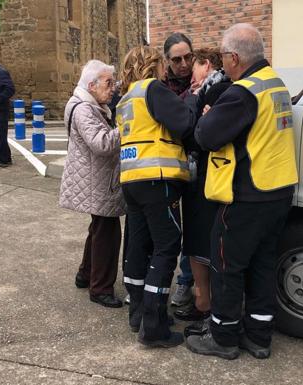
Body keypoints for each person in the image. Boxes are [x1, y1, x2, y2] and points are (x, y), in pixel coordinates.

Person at [185, 23, 298, 360]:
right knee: (262, 264)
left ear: (234, 57)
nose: (221, 63)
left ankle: (222, 335)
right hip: (277, 191)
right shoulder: (275, 84)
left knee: (226, 266)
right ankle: (259, 336)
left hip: (246, 195)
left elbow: (205, 136)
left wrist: (208, 116)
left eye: (222, 57)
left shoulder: (242, 92)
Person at [117, 46, 196, 348]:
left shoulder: (126, 98)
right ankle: (154, 325)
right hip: (158, 179)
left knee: (138, 246)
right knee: (166, 247)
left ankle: (138, 313)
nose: (168, 69)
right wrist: (194, 105)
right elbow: (185, 124)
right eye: (165, 63)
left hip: (132, 180)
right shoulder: (155, 90)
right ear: (154, 65)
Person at [59, 60, 125, 308]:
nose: (113, 88)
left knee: (99, 229)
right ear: (91, 85)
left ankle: (86, 274)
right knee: (107, 234)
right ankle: (100, 288)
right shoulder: (85, 109)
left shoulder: (86, 104)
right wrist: (127, 127)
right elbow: (102, 144)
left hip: (93, 179)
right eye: (108, 83)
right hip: (96, 180)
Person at [174, 48, 232, 326]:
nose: (191, 75)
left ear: (205, 65)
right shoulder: (230, 88)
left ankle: (203, 302)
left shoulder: (212, 91)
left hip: (207, 179)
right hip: (223, 179)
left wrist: (196, 105)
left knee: (199, 242)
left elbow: (193, 134)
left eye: (194, 66)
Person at [163, 32, 196, 307]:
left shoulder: (207, 80)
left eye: (188, 57)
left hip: (198, 164)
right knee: (169, 229)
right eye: (177, 59)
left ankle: (186, 282)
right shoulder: (161, 86)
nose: (184, 64)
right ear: (167, 61)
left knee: (195, 226)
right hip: (169, 165)